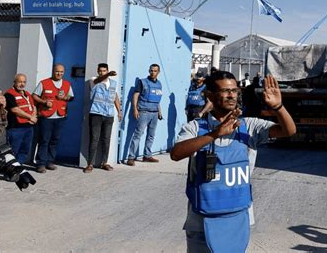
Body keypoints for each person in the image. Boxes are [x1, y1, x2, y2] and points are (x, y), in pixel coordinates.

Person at [171, 71, 296, 252]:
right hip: (201, 223)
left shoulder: (249, 126)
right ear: (210, 96)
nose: (232, 95)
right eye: (225, 91)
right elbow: (176, 154)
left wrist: (279, 107)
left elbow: (289, 131)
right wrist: (214, 134)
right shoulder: (195, 127)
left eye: (235, 90)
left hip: (238, 220)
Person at [32, 64, 74, 173]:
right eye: (57, 71)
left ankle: (50, 161)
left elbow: (71, 97)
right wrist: (44, 102)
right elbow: (34, 96)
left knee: (55, 140)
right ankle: (40, 163)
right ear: (53, 71)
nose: (59, 74)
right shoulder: (44, 83)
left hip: (60, 116)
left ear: (64, 72)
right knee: (44, 140)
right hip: (46, 116)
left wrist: (65, 97)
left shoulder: (66, 84)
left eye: (61, 72)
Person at [83, 63, 122, 173]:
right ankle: (90, 164)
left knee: (106, 139)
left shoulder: (113, 83)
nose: (102, 72)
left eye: (104, 71)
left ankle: (104, 162)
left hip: (109, 114)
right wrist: (108, 74)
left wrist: (119, 111)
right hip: (96, 113)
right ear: (97, 71)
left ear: (107, 70)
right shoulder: (94, 80)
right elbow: (97, 81)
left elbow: (115, 97)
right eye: (100, 70)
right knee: (94, 139)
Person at [126, 64, 163, 166]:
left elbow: (157, 99)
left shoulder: (159, 84)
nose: (152, 72)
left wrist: (159, 112)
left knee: (151, 135)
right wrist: (135, 109)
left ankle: (147, 155)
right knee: (138, 134)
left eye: (155, 71)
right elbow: (135, 96)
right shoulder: (142, 82)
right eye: (151, 70)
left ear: (158, 72)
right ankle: (131, 157)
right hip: (144, 112)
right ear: (149, 71)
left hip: (154, 113)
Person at [4, 74, 38, 165]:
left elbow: (33, 106)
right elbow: (15, 109)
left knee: (24, 150)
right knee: (13, 151)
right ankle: (10, 170)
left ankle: (18, 168)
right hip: (15, 128)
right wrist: (30, 117)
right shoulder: (9, 94)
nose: (22, 84)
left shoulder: (27, 94)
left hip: (28, 127)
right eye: (19, 82)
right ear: (14, 82)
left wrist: (34, 116)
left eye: (24, 82)